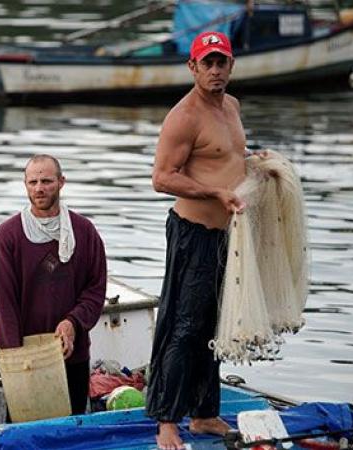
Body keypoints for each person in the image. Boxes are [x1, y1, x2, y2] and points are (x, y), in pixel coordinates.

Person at [146, 31, 260, 450]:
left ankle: (205, 413)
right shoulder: (184, 116)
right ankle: (167, 422)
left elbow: (226, 159)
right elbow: (161, 178)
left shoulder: (232, 106)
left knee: (214, 325)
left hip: (225, 234)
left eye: (221, 62)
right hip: (192, 234)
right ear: (192, 67)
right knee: (184, 325)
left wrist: (254, 163)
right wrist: (215, 193)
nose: (215, 70)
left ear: (231, 66)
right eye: (207, 63)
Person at [0, 154, 107, 415]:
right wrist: (16, 359)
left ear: (61, 182)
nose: (39, 188)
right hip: (26, 361)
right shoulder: (9, 236)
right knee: (27, 432)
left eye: (46, 181)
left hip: (71, 355)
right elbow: (2, 302)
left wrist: (73, 322)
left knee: (70, 430)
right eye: (33, 182)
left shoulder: (84, 231)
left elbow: (95, 290)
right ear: (25, 184)